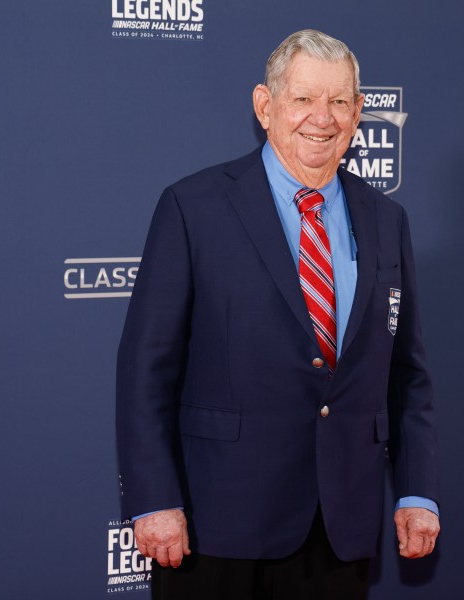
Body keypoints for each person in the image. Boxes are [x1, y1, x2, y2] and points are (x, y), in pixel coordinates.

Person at [116, 29, 440, 599]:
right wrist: (154, 499)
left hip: (340, 527)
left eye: (340, 101)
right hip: (215, 525)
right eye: (304, 99)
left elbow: (407, 375)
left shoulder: (387, 220)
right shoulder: (193, 207)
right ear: (266, 106)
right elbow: (146, 369)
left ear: (359, 112)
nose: (323, 117)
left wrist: (415, 492)